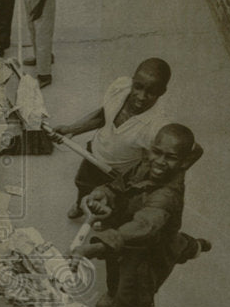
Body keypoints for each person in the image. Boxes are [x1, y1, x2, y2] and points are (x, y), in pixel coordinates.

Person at [69, 124, 211, 307]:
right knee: (171, 244)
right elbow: (122, 184)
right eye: (156, 152)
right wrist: (103, 193)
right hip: (137, 237)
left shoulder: (166, 197)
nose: (159, 162)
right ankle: (194, 246)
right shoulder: (152, 162)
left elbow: (143, 227)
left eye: (170, 158)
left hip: (144, 259)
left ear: (182, 162)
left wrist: (92, 249)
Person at [54, 58, 173, 226]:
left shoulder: (159, 127)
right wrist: (72, 129)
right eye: (138, 87)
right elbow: (104, 114)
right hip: (93, 154)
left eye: (151, 92)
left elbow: (154, 163)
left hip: (118, 175)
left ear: (162, 91)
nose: (141, 96)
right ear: (132, 81)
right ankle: (80, 206)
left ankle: (102, 221)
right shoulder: (120, 86)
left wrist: (129, 183)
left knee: (111, 204)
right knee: (83, 185)